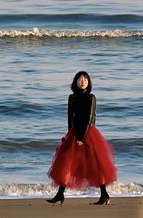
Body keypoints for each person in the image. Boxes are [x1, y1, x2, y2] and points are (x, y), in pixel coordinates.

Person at [46, 70, 116, 205]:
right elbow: (69, 117)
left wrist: (81, 138)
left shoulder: (91, 98)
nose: (82, 81)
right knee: (67, 164)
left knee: (95, 166)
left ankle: (104, 194)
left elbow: (89, 119)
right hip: (74, 134)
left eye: (85, 79)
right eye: (80, 79)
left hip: (88, 134)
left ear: (88, 82)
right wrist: (69, 134)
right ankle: (60, 194)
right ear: (75, 82)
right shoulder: (71, 97)